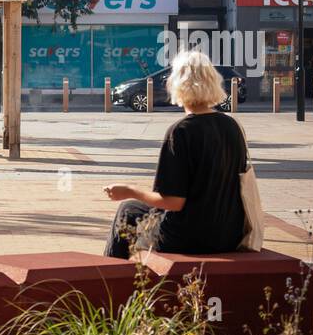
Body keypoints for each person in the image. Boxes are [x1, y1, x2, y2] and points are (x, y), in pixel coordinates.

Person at [103, 49, 246, 258]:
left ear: (178, 86)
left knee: (128, 210)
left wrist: (130, 190)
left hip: (188, 235)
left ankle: (110, 279)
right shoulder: (232, 125)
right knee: (135, 210)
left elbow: (172, 202)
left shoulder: (181, 131)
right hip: (228, 233)